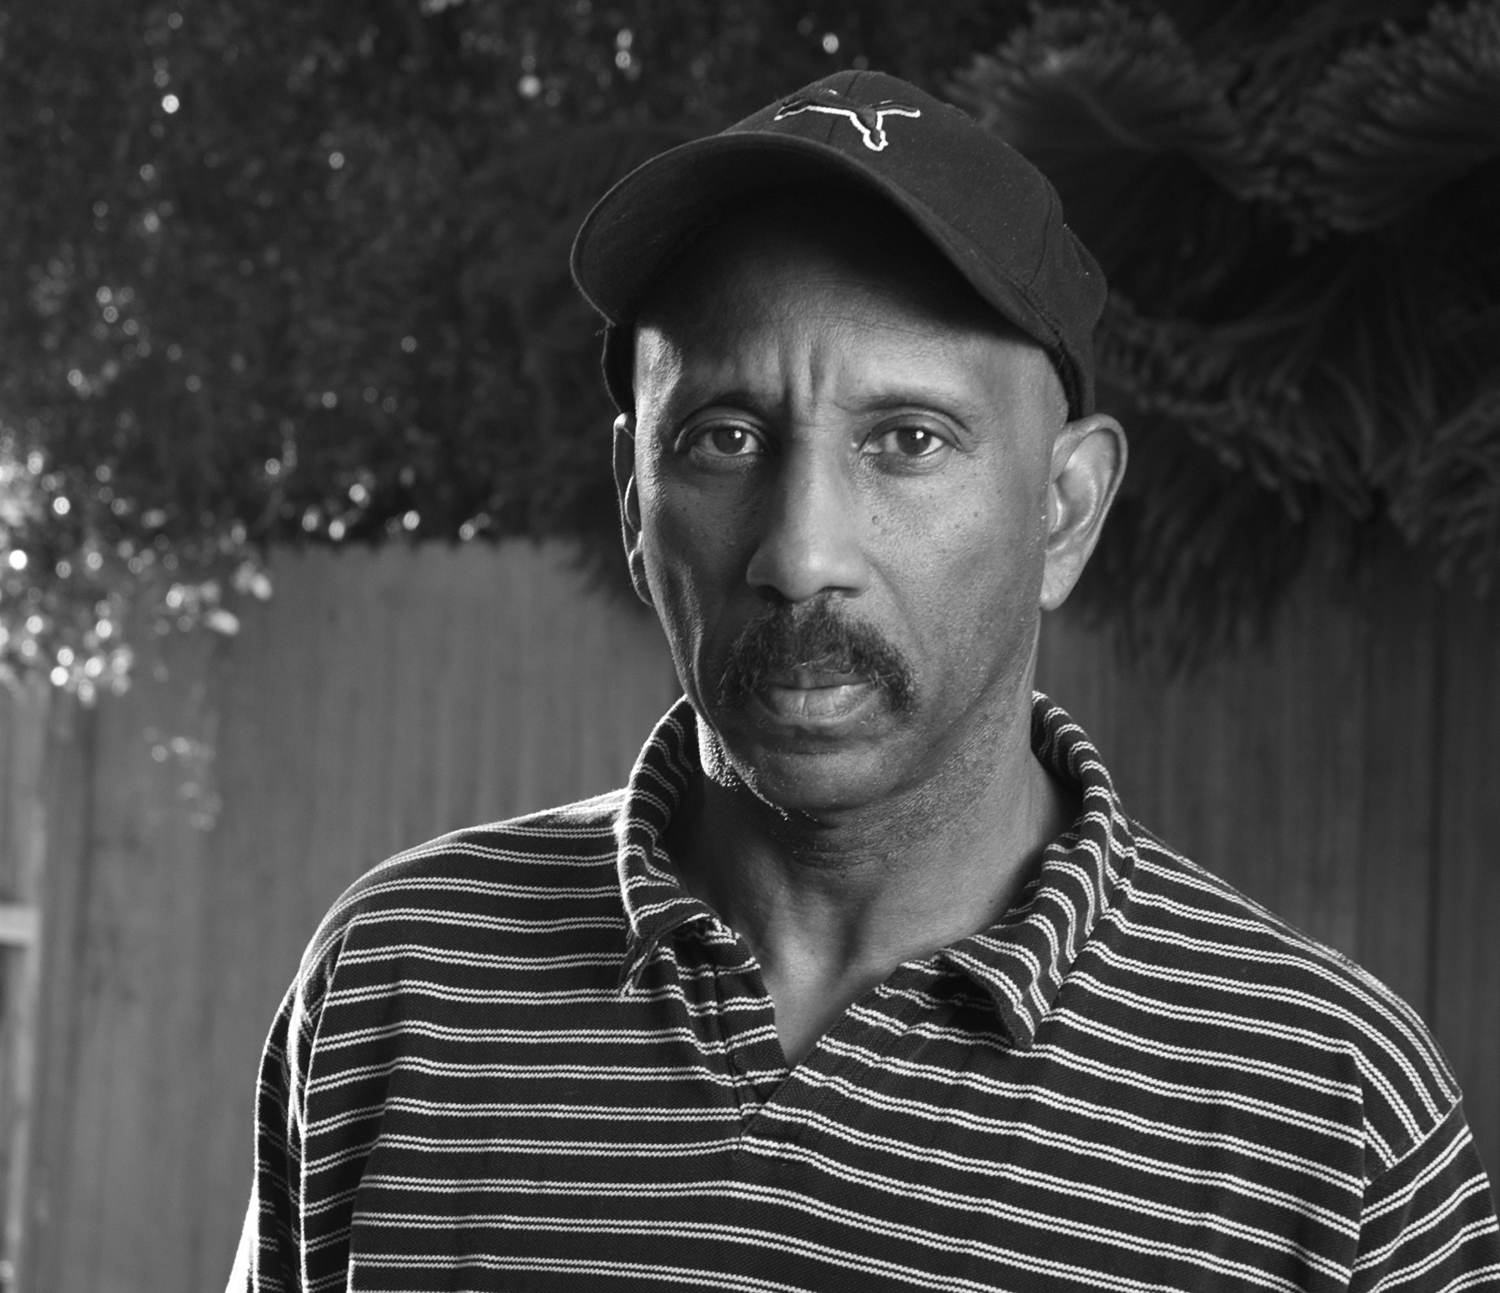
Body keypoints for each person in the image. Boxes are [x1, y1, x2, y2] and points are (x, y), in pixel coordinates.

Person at [229, 70, 1500, 1291]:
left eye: (908, 441)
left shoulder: (1327, 1115)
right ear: (634, 497)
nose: (801, 553)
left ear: (1064, 509)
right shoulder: (397, 986)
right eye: (724, 438)